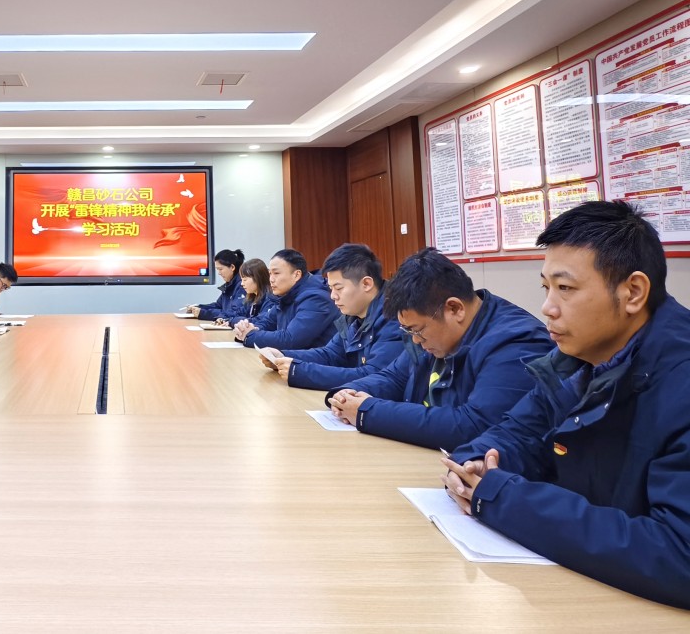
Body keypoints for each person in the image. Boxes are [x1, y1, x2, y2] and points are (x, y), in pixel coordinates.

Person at [443, 201, 690, 609]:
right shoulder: (575, 361)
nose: (548, 308)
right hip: (584, 591)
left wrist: (504, 499)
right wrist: (473, 465)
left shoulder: (679, 381)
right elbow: (517, 433)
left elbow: (679, 555)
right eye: (546, 287)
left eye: (566, 288)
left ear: (633, 292)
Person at [327, 247, 551, 450]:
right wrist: (348, 393)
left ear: (454, 309)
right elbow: (395, 377)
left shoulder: (517, 343)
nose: (416, 341)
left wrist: (367, 411)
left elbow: (474, 426)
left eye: (417, 330)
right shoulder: (431, 332)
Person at [267, 244, 405, 390]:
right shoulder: (352, 315)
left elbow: (373, 376)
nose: (333, 296)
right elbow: (331, 354)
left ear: (366, 283)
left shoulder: (395, 317)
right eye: (331, 288)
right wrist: (282, 355)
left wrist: (299, 371)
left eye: (338, 288)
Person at [232, 248, 338, 350]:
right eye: (270, 274)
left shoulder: (316, 298)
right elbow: (267, 323)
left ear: (296, 275)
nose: (271, 279)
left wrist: (249, 335)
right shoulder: (286, 295)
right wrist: (246, 329)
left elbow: (291, 340)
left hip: (313, 361)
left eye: (276, 273)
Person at [186, 249, 246, 321]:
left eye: (220, 269)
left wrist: (203, 313)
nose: (219, 273)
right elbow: (218, 306)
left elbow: (234, 313)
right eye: (217, 269)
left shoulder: (242, 286)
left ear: (232, 267)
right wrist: (198, 308)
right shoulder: (229, 285)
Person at [215, 258, 276, 327]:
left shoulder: (270, 298)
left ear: (257, 278)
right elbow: (238, 312)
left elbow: (259, 320)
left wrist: (231, 321)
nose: (242, 284)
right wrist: (223, 318)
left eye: (245, 280)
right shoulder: (252, 298)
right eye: (241, 280)